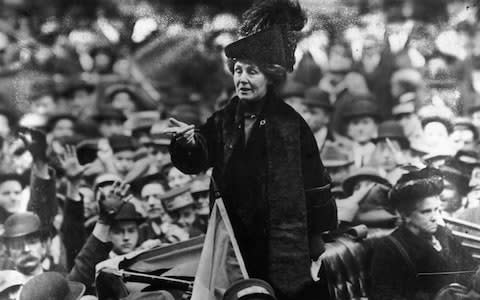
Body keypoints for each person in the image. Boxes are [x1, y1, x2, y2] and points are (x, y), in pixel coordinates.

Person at [163, 1, 337, 298]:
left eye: (252, 72)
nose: (242, 79)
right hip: (233, 235)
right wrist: (187, 143)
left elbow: (315, 186)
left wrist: (316, 243)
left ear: (270, 77)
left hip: (280, 243)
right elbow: (199, 157)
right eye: (238, 70)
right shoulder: (225, 117)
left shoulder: (290, 125)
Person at [370, 168, 475, 300]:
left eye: (436, 210)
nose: (434, 217)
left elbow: (470, 268)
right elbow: (384, 295)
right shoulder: (390, 248)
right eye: (426, 212)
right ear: (405, 215)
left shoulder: (443, 235)